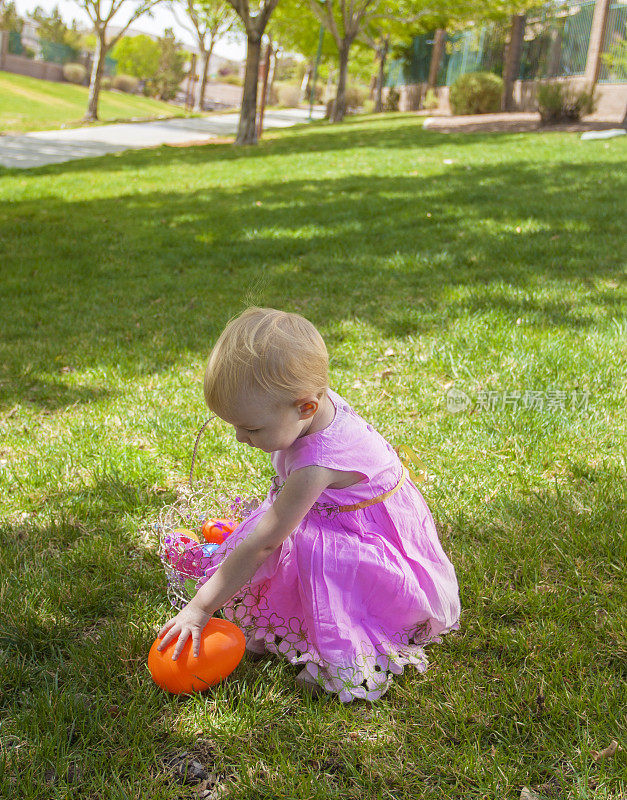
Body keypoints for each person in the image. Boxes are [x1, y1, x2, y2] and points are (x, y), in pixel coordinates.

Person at [156, 306, 461, 703]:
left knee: (326, 570)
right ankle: (289, 623)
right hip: (330, 514)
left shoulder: (317, 465)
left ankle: (339, 658)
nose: (239, 438)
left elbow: (264, 543)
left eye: (250, 428)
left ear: (306, 408)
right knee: (295, 553)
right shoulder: (309, 401)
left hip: (360, 534)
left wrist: (199, 608)